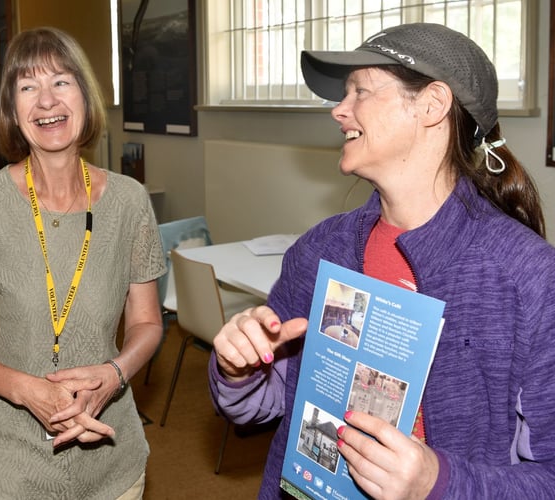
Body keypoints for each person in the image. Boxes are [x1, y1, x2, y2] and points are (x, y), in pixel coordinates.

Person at [209, 23, 555, 499]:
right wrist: (238, 368)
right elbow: (261, 407)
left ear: (432, 104)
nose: (339, 110)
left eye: (360, 91)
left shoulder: (527, 278)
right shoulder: (319, 251)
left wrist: (439, 482)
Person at [0, 27, 166, 499]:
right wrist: (24, 389)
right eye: (27, 87)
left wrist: (114, 374)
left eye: (60, 81)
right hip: (7, 468)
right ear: (12, 113)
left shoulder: (130, 201)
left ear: (84, 95)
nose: (45, 101)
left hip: (111, 466)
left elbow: (147, 322)